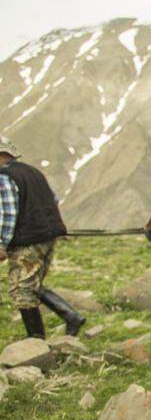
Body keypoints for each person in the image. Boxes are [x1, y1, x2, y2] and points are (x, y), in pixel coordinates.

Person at [0, 138, 85, 338]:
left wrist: (1, 243)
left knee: (21, 290)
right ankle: (71, 316)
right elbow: (53, 199)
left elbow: (8, 213)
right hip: (47, 236)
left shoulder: (4, 177)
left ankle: (36, 343)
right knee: (32, 284)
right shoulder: (32, 172)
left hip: (27, 240)